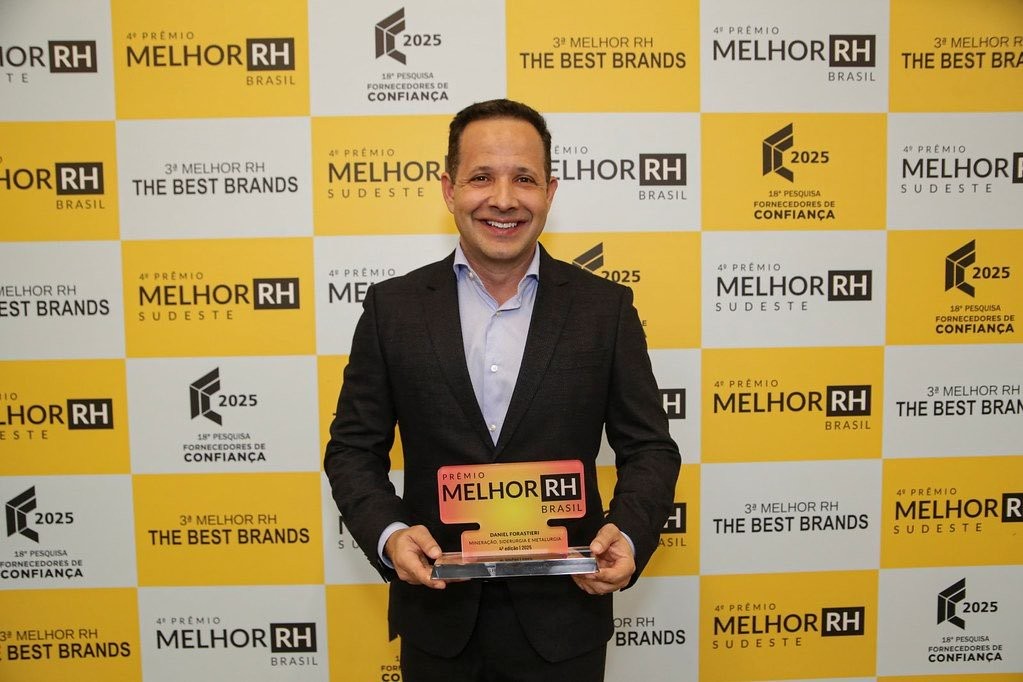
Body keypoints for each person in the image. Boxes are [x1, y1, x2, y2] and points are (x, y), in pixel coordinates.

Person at [324, 98, 681, 682]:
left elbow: (650, 449)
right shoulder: (394, 309)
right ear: (449, 189)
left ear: (551, 192)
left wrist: (630, 533)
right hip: (438, 619)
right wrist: (390, 536)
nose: (504, 199)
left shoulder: (605, 310)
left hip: (565, 620)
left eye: (525, 179)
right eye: (481, 177)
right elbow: (351, 451)